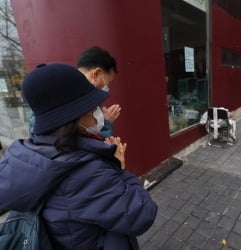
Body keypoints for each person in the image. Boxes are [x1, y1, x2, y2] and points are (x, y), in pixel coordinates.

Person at [0, 64, 157, 249]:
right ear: (73, 118)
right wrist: (120, 169)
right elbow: (142, 214)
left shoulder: (33, 153)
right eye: (94, 107)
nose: (99, 112)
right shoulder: (86, 173)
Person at [77, 46, 121, 138]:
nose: (107, 87)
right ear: (96, 73)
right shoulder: (79, 98)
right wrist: (105, 123)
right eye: (108, 82)